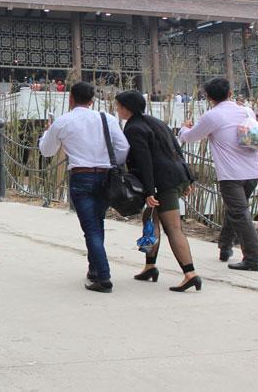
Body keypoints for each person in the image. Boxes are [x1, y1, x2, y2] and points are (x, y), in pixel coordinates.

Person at [39, 81, 129, 293]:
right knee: (97, 224)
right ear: (92, 100)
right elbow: (123, 147)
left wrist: (46, 133)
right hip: (106, 176)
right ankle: (94, 269)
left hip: (82, 176)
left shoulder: (63, 121)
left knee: (91, 229)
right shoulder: (106, 118)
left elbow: (47, 151)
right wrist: (112, 163)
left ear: (71, 98)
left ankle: (104, 276)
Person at [114, 90, 201, 292]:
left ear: (127, 108)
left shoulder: (133, 128)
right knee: (150, 218)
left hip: (163, 182)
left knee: (173, 228)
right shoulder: (156, 122)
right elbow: (176, 150)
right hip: (176, 175)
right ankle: (150, 266)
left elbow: (144, 162)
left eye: (118, 106)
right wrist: (188, 178)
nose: (117, 110)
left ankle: (190, 273)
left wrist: (150, 191)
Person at [179, 77, 258, 271]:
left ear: (208, 97)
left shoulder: (212, 116)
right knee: (237, 210)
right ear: (230, 94)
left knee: (239, 212)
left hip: (231, 173)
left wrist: (185, 127)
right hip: (252, 170)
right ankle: (225, 247)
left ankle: (254, 257)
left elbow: (190, 137)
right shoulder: (246, 110)